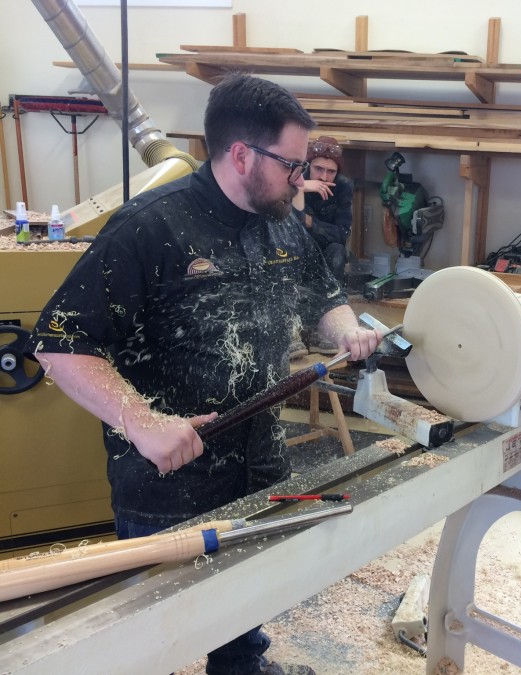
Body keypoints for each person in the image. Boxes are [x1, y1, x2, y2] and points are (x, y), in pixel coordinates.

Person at [27, 73, 381, 675]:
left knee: (244, 593)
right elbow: (58, 342)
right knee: (153, 623)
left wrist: (346, 329)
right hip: (169, 476)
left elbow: (321, 296)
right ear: (242, 154)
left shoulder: (281, 222)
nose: (304, 181)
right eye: (293, 166)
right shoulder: (150, 227)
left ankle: (241, 667)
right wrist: (140, 421)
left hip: (258, 458)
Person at [294, 135, 352, 287]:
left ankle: (334, 302)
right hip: (297, 248)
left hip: (326, 248)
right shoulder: (296, 179)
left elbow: (342, 235)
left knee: (337, 252)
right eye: (318, 169)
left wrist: (309, 221)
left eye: (331, 172)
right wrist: (300, 188)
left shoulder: (343, 186)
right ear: (308, 166)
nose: (324, 177)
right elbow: (284, 224)